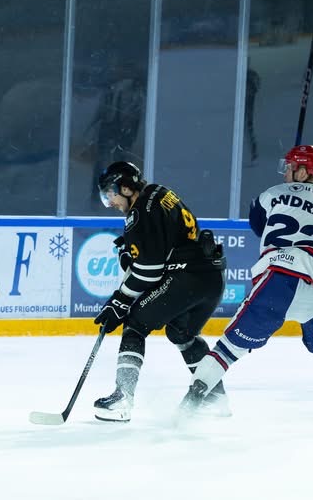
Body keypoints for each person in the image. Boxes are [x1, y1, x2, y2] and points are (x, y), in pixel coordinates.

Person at [177, 145, 313, 427]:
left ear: (303, 171)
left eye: (291, 167)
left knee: (228, 349)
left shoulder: (272, 194)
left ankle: (189, 406)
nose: (286, 172)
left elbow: (258, 225)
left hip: (277, 280)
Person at [92, 160, 227, 422]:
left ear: (127, 187)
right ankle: (214, 397)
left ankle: (122, 399)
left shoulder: (140, 212)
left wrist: (119, 302)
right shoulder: (159, 192)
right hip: (212, 276)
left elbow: (149, 270)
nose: (111, 202)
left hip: (187, 277)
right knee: (182, 333)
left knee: (135, 324)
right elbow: (162, 247)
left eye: (111, 194)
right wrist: (131, 251)